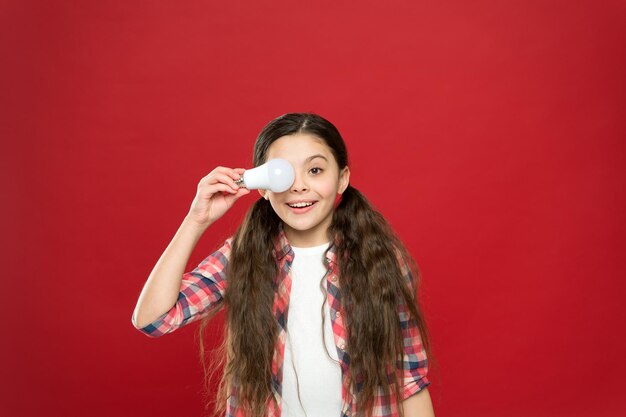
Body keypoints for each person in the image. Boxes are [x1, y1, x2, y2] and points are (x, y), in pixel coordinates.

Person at [131, 113, 436, 417]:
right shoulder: (244, 255)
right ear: (263, 186)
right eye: (284, 175)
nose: (299, 186)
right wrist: (196, 221)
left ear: (342, 178)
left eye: (315, 170)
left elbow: (409, 378)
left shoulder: (381, 260)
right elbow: (153, 319)